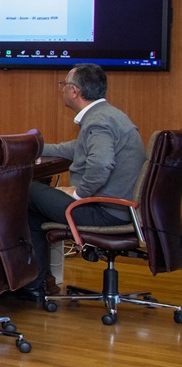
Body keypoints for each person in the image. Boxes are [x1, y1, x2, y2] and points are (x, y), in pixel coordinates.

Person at [26, 64, 145, 295]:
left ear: (75, 91)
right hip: (122, 210)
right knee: (36, 206)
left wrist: (78, 193)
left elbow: (101, 164)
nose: (62, 90)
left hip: (107, 212)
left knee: (28, 191)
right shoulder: (109, 115)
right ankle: (35, 284)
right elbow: (77, 148)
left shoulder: (98, 121)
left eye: (64, 85)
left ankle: (32, 284)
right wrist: (31, 148)